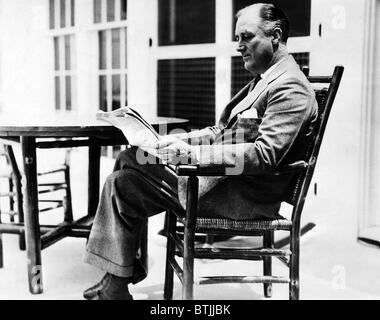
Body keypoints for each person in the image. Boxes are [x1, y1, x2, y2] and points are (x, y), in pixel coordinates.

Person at [83, 3, 317, 300]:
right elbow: (222, 132)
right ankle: (116, 279)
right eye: (237, 38)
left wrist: (192, 156)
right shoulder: (265, 79)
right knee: (130, 164)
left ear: (276, 35)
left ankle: (118, 277)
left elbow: (264, 155)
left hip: (243, 195)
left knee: (124, 175)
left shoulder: (291, 87)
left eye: (246, 37)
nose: (238, 47)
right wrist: (170, 141)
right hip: (222, 180)